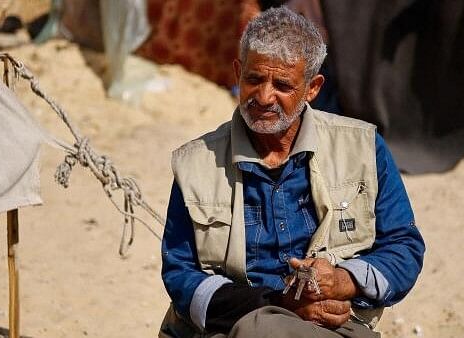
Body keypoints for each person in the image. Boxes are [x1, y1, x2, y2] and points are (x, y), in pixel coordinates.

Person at [160, 7, 425, 338]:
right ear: (238, 73)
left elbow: (403, 246)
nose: (264, 97)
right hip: (230, 325)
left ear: (312, 88)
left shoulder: (363, 149)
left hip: (335, 323)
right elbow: (180, 273)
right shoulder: (196, 164)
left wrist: (343, 281)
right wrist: (277, 305)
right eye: (254, 79)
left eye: (282, 85)